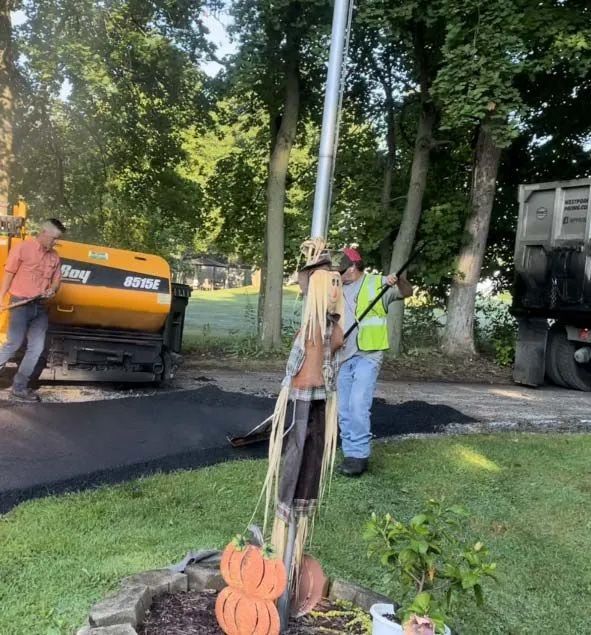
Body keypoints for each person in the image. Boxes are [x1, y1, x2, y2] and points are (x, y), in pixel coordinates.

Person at [337, 246, 413, 476]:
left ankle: (357, 456)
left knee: (359, 404)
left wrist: (398, 280)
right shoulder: (337, 288)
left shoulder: (380, 283)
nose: (339, 275)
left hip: (368, 355)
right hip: (342, 356)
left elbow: (407, 292)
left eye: (342, 271)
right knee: (344, 409)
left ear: (352, 269)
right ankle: (350, 449)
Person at [0, 218, 65, 401]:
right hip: (20, 304)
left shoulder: (55, 257)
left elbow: (56, 279)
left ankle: (19, 388)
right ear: (44, 233)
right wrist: (0, 298)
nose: (55, 242)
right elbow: (9, 273)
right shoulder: (23, 248)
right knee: (13, 343)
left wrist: (52, 289)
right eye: (54, 238)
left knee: (36, 348)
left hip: (40, 307)